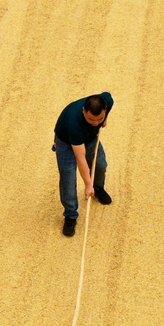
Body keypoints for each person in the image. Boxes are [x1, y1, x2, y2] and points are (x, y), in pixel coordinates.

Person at [53, 93, 114, 237]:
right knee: (68, 177)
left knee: (100, 164)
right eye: (91, 119)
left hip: (90, 138)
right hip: (66, 143)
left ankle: (98, 188)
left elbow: (108, 94)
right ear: (83, 111)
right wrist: (87, 184)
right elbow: (81, 159)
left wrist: (104, 120)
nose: (95, 123)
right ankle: (70, 214)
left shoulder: (107, 102)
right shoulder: (73, 122)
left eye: (99, 118)